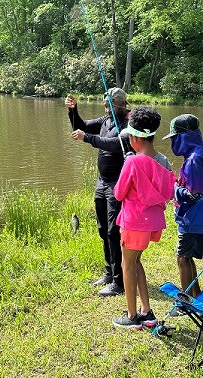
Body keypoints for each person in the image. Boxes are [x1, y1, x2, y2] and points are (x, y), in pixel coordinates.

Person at [65, 88, 133, 296]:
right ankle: (109, 272)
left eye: (111, 105)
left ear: (121, 104)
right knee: (103, 229)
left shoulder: (129, 124)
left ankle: (119, 281)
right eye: (105, 105)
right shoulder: (105, 121)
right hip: (102, 182)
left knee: (114, 231)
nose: (107, 108)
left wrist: (88, 139)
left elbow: (116, 144)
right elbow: (82, 126)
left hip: (117, 183)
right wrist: (73, 110)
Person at [112, 107, 176, 329]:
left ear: (135, 138)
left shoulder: (132, 162)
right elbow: (168, 192)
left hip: (134, 222)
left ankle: (131, 317)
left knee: (127, 265)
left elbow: (118, 193)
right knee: (136, 261)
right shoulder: (162, 161)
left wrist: (130, 163)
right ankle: (146, 312)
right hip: (152, 224)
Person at [162, 114, 203, 304]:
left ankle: (186, 303)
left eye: (174, 138)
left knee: (182, 258)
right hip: (196, 219)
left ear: (183, 137)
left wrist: (173, 187)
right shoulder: (198, 154)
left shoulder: (195, 159)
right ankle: (196, 297)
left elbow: (193, 195)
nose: (172, 142)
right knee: (187, 257)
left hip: (193, 220)